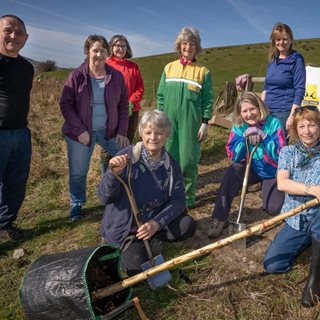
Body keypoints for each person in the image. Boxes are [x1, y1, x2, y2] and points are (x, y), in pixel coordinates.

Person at [98, 110, 196, 276]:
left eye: (159, 133)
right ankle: (126, 245)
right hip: (127, 227)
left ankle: (153, 237)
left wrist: (156, 223)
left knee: (188, 225)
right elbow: (104, 197)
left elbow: (179, 201)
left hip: (152, 220)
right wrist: (111, 174)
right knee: (139, 270)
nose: (153, 138)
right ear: (141, 133)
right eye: (148, 132)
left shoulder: (171, 165)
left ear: (166, 135)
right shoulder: (126, 157)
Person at [60, 34, 129, 222]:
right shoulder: (76, 76)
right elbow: (66, 104)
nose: (99, 54)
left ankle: (119, 196)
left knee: (128, 158)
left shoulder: (115, 76)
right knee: (78, 171)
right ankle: (77, 204)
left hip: (109, 131)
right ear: (87, 52)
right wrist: (79, 130)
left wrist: (122, 131)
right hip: (82, 132)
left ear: (107, 53)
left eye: (103, 51)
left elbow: (123, 104)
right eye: (95, 50)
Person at [208, 92, 286, 239]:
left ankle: (271, 187)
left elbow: (281, 154)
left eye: (252, 109)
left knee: (273, 208)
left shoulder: (274, 123)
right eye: (245, 111)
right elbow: (233, 156)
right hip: (252, 167)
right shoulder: (239, 126)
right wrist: (244, 140)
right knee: (233, 170)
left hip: (272, 171)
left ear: (260, 107)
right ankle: (220, 217)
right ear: (240, 112)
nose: (249, 114)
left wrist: (264, 137)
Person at [263, 105, 320, 308]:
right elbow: (282, 183)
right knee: (273, 265)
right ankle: (310, 244)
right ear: (295, 130)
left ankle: (315, 276)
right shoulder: (287, 152)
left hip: (317, 216)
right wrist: (313, 189)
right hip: (295, 219)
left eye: (312, 125)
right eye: (302, 126)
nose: (307, 131)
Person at [157, 27, 214, 208]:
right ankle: (167, 196)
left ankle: (187, 199)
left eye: (192, 44)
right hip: (168, 123)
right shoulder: (168, 68)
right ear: (179, 46)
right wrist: (159, 118)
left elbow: (207, 100)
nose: (188, 47)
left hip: (191, 124)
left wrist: (205, 123)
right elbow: (160, 96)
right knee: (167, 160)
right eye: (184, 44)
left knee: (188, 161)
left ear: (197, 48)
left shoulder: (203, 72)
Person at [0, 15, 34, 241]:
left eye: (19, 32)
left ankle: (5, 223)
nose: (14, 36)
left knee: (16, 182)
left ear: (26, 38)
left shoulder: (27, 68)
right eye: (8, 30)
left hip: (21, 133)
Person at [100, 34, 144, 173]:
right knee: (107, 146)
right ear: (111, 47)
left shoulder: (133, 67)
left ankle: (123, 175)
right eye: (117, 45)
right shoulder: (105, 65)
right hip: (109, 112)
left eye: (123, 46)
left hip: (131, 111)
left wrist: (131, 102)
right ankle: (106, 177)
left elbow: (140, 88)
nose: (120, 48)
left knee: (126, 143)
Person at [261, 22, 306, 133]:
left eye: (285, 39)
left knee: (279, 146)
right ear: (274, 41)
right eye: (278, 39)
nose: (281, 42)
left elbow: (299, 89)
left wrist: (292, 116)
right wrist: (261, 108)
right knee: (266, 144)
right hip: (267, 110)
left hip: (283, 112)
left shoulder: (296, 59)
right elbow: (266, 88)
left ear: (291, 40)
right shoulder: (272, 60)